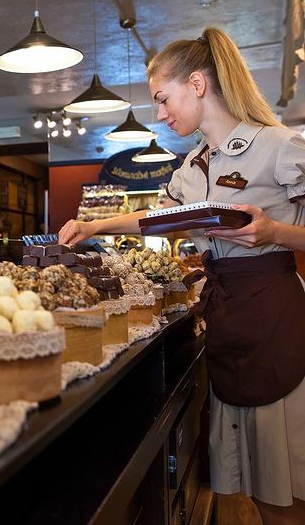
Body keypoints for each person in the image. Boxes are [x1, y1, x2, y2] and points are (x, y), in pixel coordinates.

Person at [59, 27, 305, 524]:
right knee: (258, 487)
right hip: (227, 320)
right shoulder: (191, 167)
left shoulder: (279, 145)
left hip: (278, 320)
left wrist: (275, 230)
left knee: (289, 490)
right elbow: (157, 219)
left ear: (197, 84)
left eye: (162, 98)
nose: (161, 114)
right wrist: (95, 224)